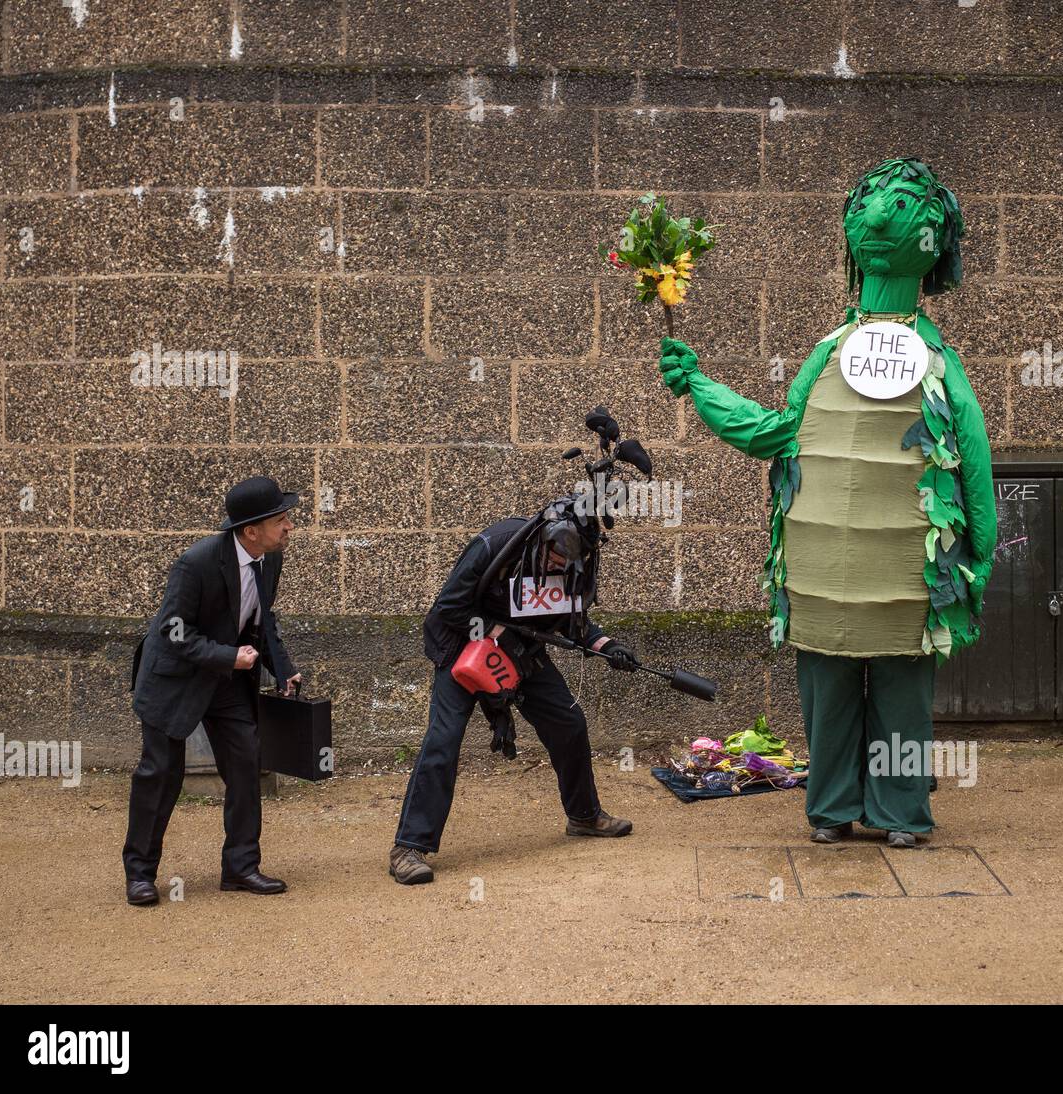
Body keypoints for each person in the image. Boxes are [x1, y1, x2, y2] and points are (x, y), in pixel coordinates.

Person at [657, 158, 997, 848]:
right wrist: (980, 557)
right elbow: (975, 467)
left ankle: (840, 811)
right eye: (876, 206)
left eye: (890, 208)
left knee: (840, 695)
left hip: (840, 579)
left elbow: (771, 431)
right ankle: (890, 814)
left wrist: (700, 385)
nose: (877, 217)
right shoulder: (933, 362)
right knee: (894, 698)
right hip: (896, 581)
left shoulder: (834, 353)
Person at [390, 497, 636, 886]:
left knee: (568, 723)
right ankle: (409, 847)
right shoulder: (496, 545)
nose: (558, 567)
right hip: (463, 648)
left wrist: (606, 645)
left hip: (521, 652)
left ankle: (584, 816)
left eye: (567, 564)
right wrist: (501, 633)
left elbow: (570, 619)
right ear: (544, 540)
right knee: (444, 739)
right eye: (554, 558)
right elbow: (448, 608)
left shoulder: (574, 562)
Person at [122, 476, 303, 905]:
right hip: (174, 681)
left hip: (227, 683)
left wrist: (284, 670)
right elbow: (172, 630)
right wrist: (228, 656)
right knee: (161, 776)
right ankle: (140, 875)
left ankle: (241, 868)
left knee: (245, 764)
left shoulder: (269, 559)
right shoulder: (196, 562)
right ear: (250, 530)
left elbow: (264, 621)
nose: (290, 527)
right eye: (282, 520)